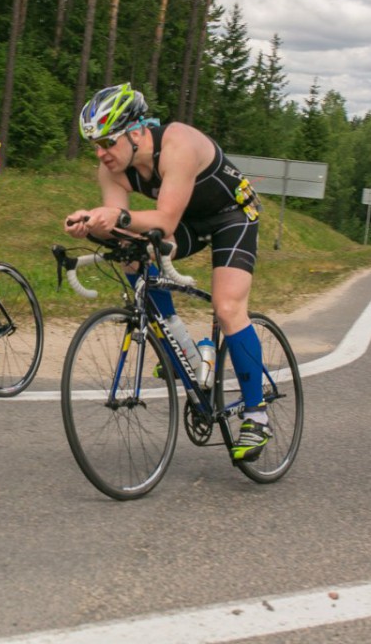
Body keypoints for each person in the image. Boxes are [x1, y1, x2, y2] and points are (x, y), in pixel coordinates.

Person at [64, 83, 270, 461]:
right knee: (131, 253)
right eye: (94, 144)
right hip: (188, 221)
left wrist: (118, 217)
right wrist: (90, 223)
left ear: (138, 130)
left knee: (227, 308)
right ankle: (185, 352)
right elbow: (123, 229)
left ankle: (256, 414)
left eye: (108, 141)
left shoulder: (178, 144)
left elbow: (164, 218)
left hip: (232, 216)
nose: (101, 152)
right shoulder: (111, 170)